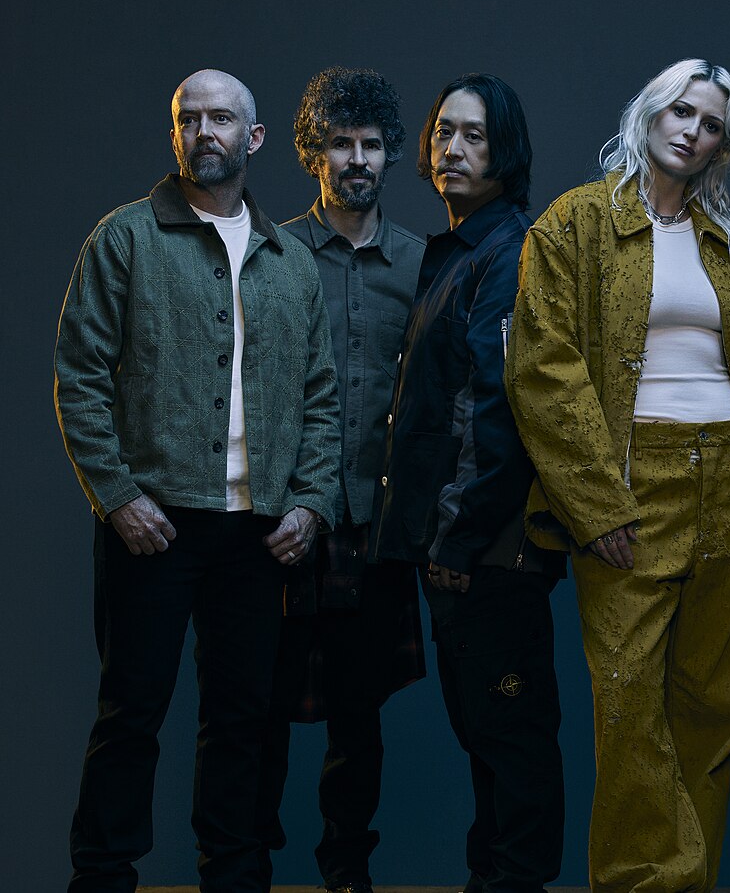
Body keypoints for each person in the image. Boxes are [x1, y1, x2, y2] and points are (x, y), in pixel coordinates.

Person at [505, 58, 730, 893]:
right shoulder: (574, 225)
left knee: (711, 709)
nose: (692, 131)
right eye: (680, 112)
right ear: (648, 114)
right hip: (637, 482)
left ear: (724, 145)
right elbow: (542, 371)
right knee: (630, 707)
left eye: (711, 124)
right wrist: (597, 503)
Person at [54, 69, 340, 892]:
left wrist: (313, 501)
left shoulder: (288, 262)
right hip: (152, 523)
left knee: (242, 720)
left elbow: (322, 397)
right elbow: (80, 376)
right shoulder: (126, 238)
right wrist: (116, 494)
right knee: (130, 714)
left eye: (222, 119)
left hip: (257, 532)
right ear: (173, 135)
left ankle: (237, 877)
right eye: (190, 119)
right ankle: (102, 877)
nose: (204, 131)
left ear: (251, 139)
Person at [370, 73, 566, 893]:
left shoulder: (510, 250)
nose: (452, 147)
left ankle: (510, 884)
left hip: (491, 552)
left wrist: (456, 535)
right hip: (459, 547)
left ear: (505, 149)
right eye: (444, 131)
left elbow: (498, 410)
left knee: (512, 740)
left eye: (474, 135)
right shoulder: (457, 250)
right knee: (485, 734)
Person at [253, 66, 427, 893]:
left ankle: (345, 870)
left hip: (375, 527)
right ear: (310, 155)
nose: (355, 158)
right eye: (338, 144)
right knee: (256, 706)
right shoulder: (271, 254)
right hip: (279, 520)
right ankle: (244, 866)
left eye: (369, 144)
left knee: (360, 718)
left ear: (391, 154)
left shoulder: (424, 265)